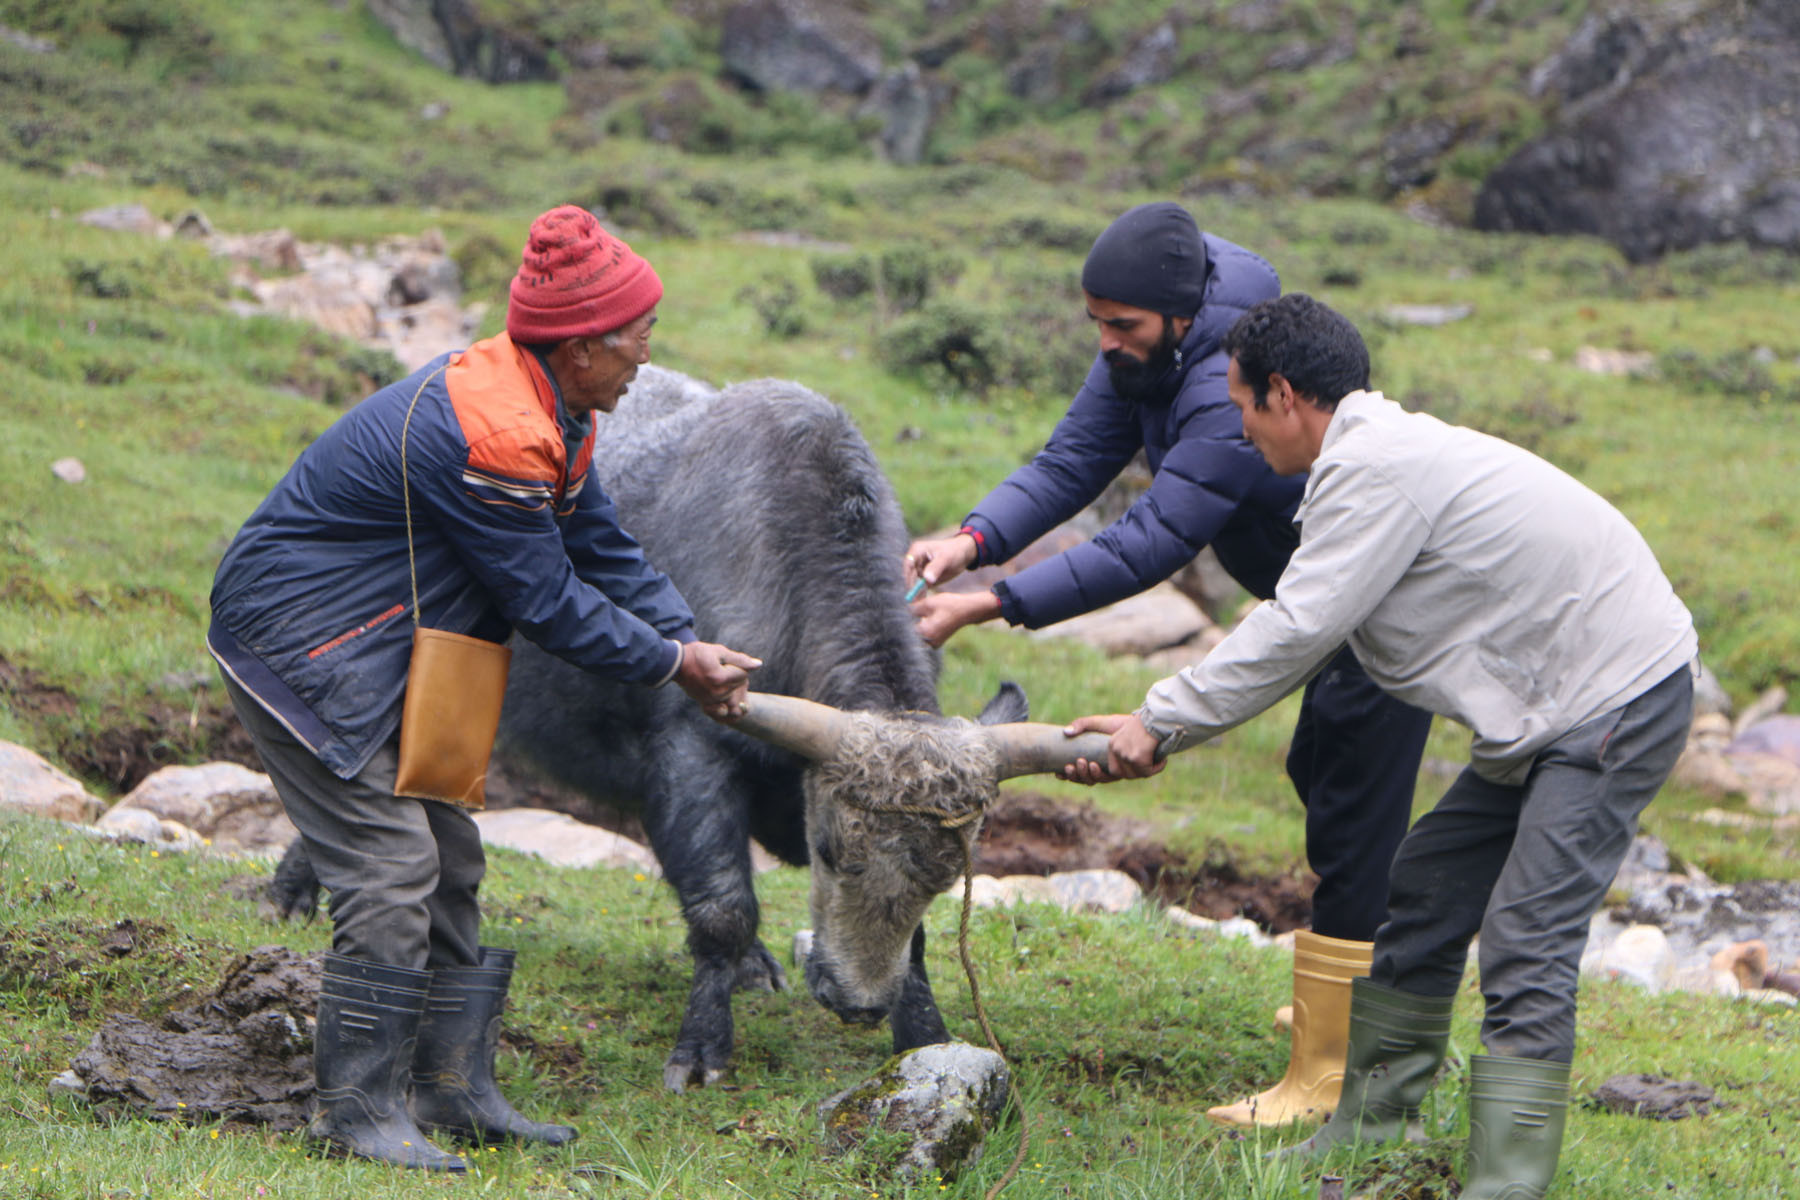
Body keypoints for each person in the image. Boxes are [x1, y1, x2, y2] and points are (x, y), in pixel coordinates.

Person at [1062, 293, 1697, 1198]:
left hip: (1614, 699)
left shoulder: (1378, 471)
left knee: (1526, 939)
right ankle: (1373, 1127)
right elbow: (1317, 618)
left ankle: (1507, 1184)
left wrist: (1158, 720)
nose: (1241, 429)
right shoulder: (1368, 461)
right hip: (1552, 701)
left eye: (1244, 406)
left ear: (1285, 395)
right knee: (1428, 885)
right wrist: (1163, 715)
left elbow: (1298, 627)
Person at [208, 205, 760, 1171]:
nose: (647, 354)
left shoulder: (555, 410)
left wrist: (686, 635)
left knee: (454, 863)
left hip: (394, 645)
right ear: (581, 346)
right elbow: (548, 602)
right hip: (304, 642)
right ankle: (358, 1111)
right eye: (638, 335)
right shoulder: (498, 431)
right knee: (391, 871)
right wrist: (675, 667)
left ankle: (452, 1090)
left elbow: (601, 546)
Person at [903, 203, 1433, 1127]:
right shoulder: (1147, 347)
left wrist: (992, 601)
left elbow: (1154, 537)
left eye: (1121, 325)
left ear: (1180, 316)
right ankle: (1356, 998)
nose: (1104, 342)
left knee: (1355, 799)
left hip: (1375, 603)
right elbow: (1072, 459)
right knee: (1323, 773)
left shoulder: (1233, 379)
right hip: (1317, 603)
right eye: (1094, 322)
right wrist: (973, 539)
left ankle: (1338, 1062)